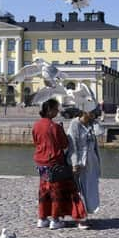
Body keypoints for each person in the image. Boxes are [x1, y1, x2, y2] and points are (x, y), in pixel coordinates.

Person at [32, 99, 86, 230]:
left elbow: (36, 141)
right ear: (49, 110)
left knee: (43, 191)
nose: (57, 112)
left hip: (41, 163)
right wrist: (61, 130)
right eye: (56, 109)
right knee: (56, 192)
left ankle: (42, 218)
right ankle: (55, 219)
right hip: (54, 163)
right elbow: (64, 144)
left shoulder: (36, 125)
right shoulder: (54, 127)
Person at [67, 108, 101, 228]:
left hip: (91, 162)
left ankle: (85, 215)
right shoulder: (74, 124)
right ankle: (80, 218)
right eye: (91, 112)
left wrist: (96, 123)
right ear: (84, 111)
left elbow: (98, 139)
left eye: (94, 112)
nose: (93, 114)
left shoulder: (91, 124)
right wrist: (74, 163)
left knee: (89, 190)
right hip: (80, 162)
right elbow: (72, 146)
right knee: (79, 191)